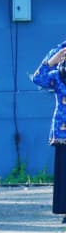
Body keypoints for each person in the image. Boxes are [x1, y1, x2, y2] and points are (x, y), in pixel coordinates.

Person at [32, 40, 66, 222]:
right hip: (63, 128)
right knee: (64, 170)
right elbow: (38, 78)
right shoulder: (58, 70)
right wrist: (52, 61)